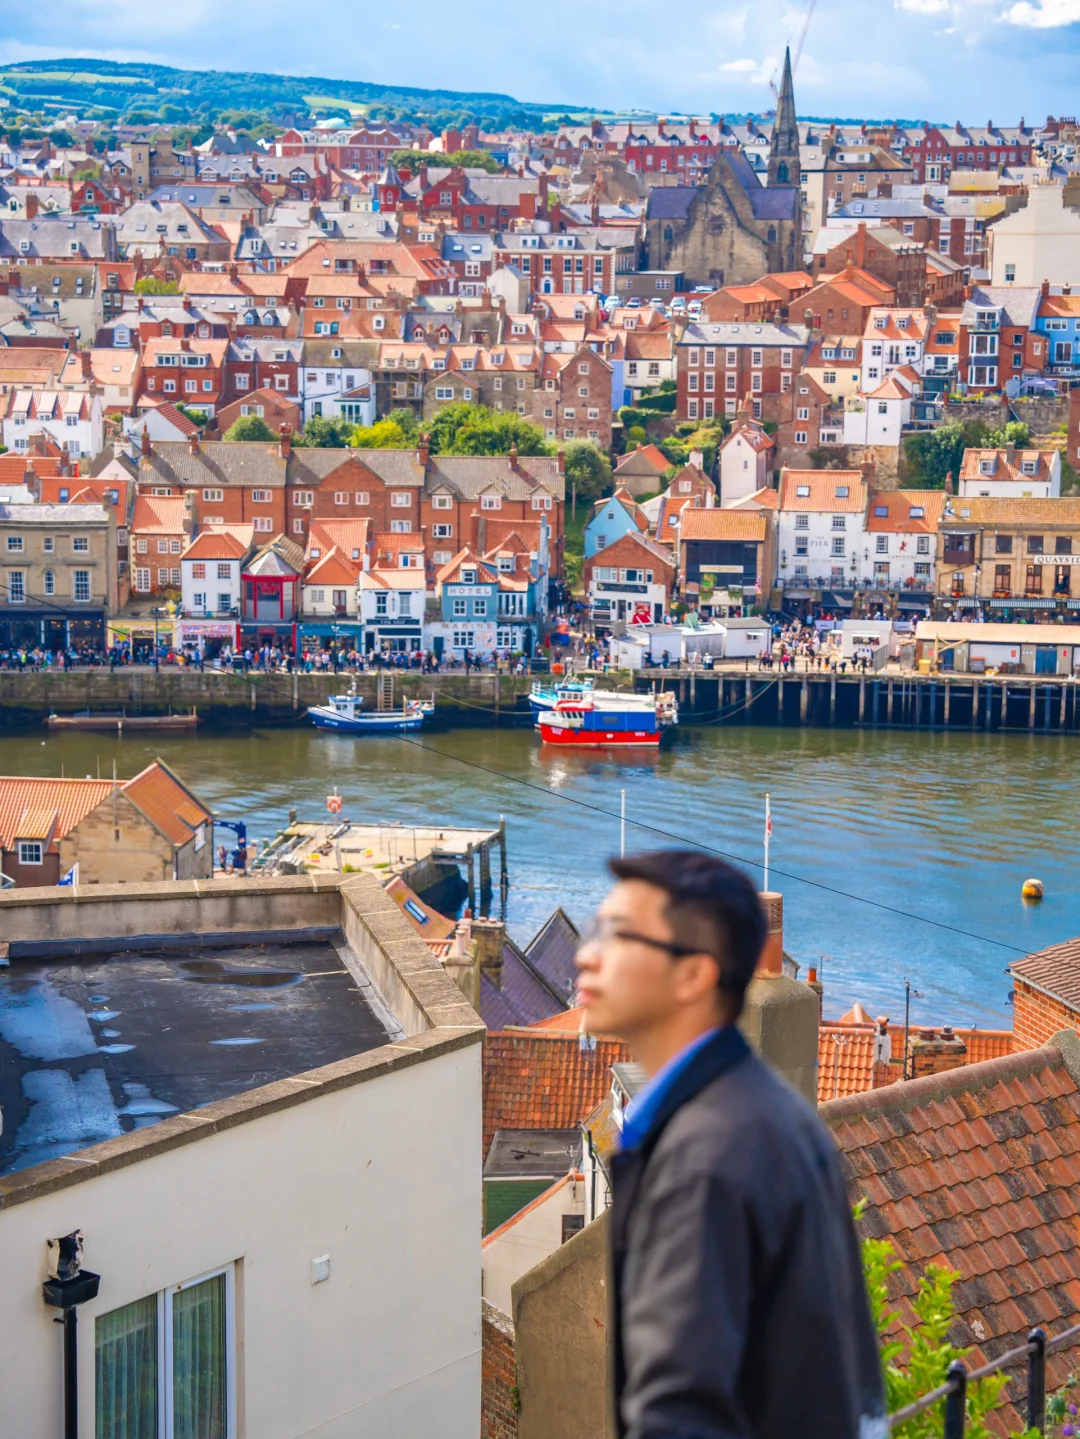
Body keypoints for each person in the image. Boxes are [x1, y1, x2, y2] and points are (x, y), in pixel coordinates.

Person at [574, 851, 885, 1439]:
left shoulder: (705, 1157)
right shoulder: (766, 1114)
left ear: (693, 973)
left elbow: (682, 1414)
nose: (586, 954)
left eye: (617, 936)